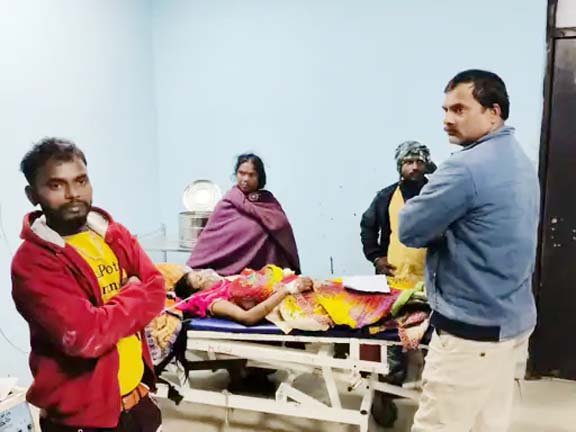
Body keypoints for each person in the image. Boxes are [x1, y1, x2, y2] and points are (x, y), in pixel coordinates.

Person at [399, 70, 540, 432]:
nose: (447, 119)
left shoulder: (464, 168)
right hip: (510, 324)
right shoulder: (520, 161)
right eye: (445, 109)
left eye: (460, 109)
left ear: (493, 112)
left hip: (469, 333)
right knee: (486, 424)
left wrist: (441, 226)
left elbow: (410, 229)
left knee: (440, 425)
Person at [11, 138, 166, 432]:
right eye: (56, 185)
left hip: (138, 402)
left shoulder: (111, 234)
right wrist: (134, 292)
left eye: (80, 181)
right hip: (83, 420)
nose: (73, 194)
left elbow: (157, 289)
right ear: (33, 195)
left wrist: (110, 312)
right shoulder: (33, 262)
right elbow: (85, 336)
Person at [360, 141, 436, 426]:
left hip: (434, 282)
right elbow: (368, 226)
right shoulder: (386, 197)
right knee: (394, 340)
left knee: (434, 341)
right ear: (399, 166)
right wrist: (376, 257)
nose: (414, 167)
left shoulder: (439, 194)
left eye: (418, 161)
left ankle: (436, 394)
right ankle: (386, 393)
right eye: (408, 162)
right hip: (396, 283)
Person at [187, 153, 300, 275]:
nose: (245, 179)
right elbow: (210, 240)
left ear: (259, 177)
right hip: (227, 274)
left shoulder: (268, 203)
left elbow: (282, 228)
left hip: (266, 275)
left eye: (251, 175)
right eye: (241, 173)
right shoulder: (227, 203)